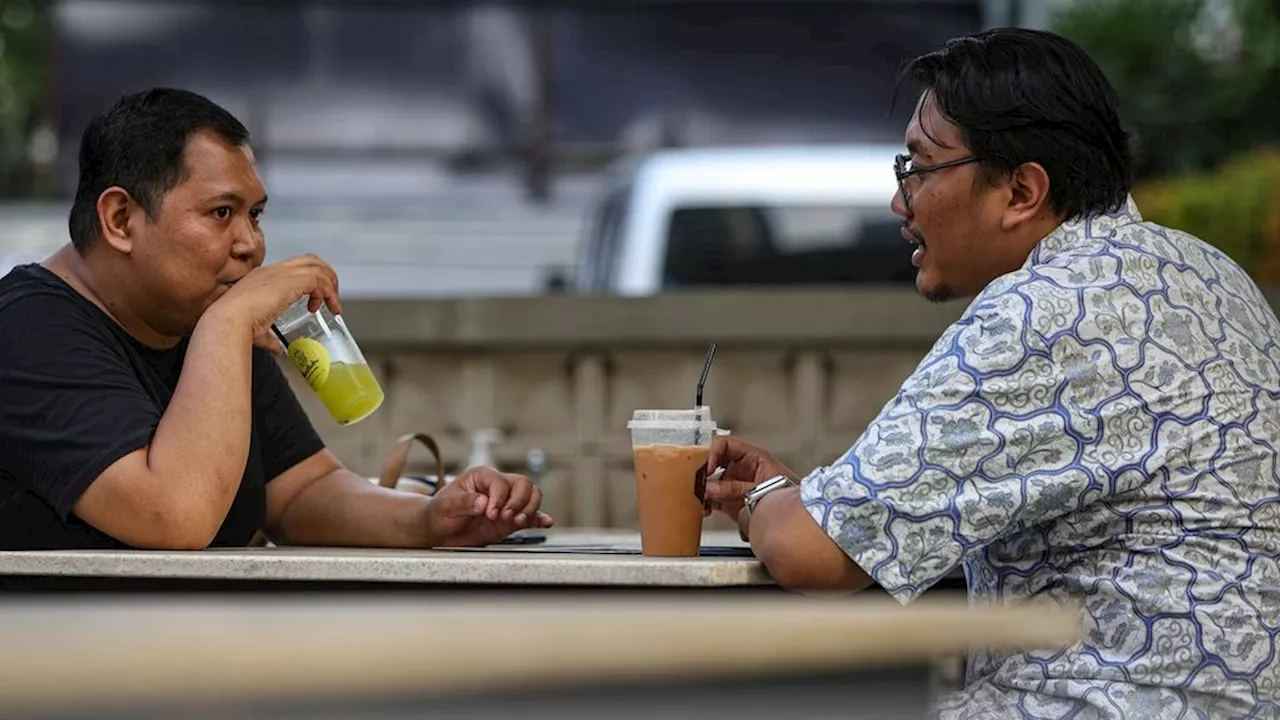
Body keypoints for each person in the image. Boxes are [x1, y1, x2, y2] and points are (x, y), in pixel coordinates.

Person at [705, 28, 1280, 717]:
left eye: (918, 168)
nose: (901, 201)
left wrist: (764, 494)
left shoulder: (1046, 311)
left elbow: (812, 553)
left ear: (1021, 190)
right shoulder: (1208, 272)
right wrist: (788, 497)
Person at [0, 88, 552, 551]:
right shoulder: (28, 326)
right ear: (121, 219)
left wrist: (429, 519)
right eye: (222, 213)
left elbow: (299, 491)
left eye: (255, 215)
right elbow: (172, 518)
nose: (252, 246)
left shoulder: (203, 319)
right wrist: (230, 324)